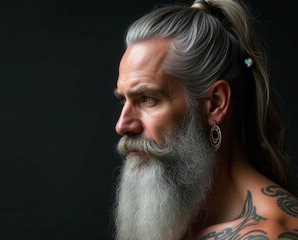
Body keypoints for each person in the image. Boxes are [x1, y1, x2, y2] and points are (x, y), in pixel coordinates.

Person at [113, 0, 298, 239]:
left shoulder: (269, 234)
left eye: (147, 99)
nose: (122, 125)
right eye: (123, 100)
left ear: (215, 104)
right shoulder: (177, 222)